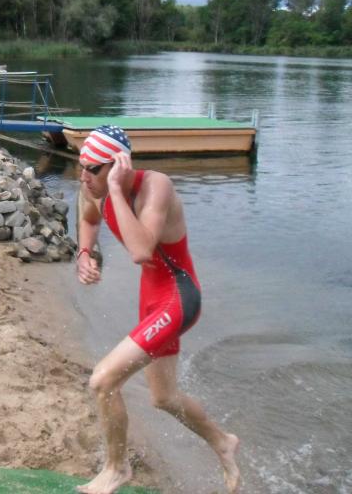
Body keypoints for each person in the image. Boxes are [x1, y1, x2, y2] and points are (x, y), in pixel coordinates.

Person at [75, 125, 240, 494]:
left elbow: (140, 251)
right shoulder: (93, 186)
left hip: (178, 296)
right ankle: (223, 442)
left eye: (93, 170)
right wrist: (84, 253)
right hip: (151, 295)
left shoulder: (155, 186)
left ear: (119, 166)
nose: (84, 177)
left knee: (103, 381)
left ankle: (116, 468)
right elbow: (88, 219)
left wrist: (116, 189)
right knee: (163, 397)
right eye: (80, 167)